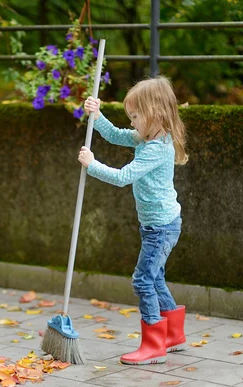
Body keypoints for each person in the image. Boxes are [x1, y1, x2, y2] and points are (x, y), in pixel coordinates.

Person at [79, 76, 187, 365]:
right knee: (155, 277)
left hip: (161, 228)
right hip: (157, 224)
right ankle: (173, 335)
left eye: (136, 116)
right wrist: (97, 115)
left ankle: (153, 346)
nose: (133, 122)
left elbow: (123, 176)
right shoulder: (146, 137)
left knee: (142, 281)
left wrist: (93, 166)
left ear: (155, 113)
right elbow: (114, 134)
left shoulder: (156, 148)